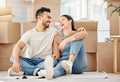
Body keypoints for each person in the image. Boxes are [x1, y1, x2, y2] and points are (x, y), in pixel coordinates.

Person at [8, 7, 86, 76]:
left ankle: (26, 70)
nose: (50, 20)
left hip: (46, 61)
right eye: (48, 17)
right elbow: (18, 46)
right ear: (39, 18)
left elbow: (69, 32)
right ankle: (37, 71)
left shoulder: (54, 30)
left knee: (54, 61)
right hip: (32, 60)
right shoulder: (29, 34)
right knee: (13, 58)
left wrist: (81, 30)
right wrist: (16, 62)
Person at [38, 15, 88, 80]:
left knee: (77, 37)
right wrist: (53, 56)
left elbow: (84, 34)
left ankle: (70, 62)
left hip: (78, 64)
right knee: (60, 66)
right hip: (65, 64)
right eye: (59, 21)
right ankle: (51, 73)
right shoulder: (57, 38)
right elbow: (57, 56)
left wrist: (66, 40)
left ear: (70, 21)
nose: (60, 22)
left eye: (63, 19)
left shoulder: (78, 33)